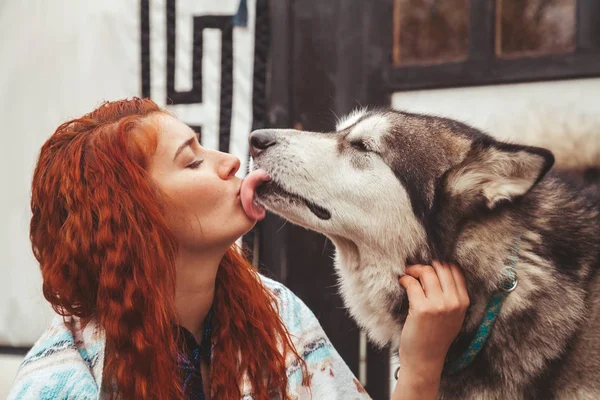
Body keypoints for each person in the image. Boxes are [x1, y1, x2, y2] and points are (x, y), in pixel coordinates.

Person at [9, 98, 469, 400]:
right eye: (191, 161)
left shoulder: (278, 317)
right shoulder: (61, 381)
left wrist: (421, 365)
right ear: (132, 218)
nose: (231, 162)